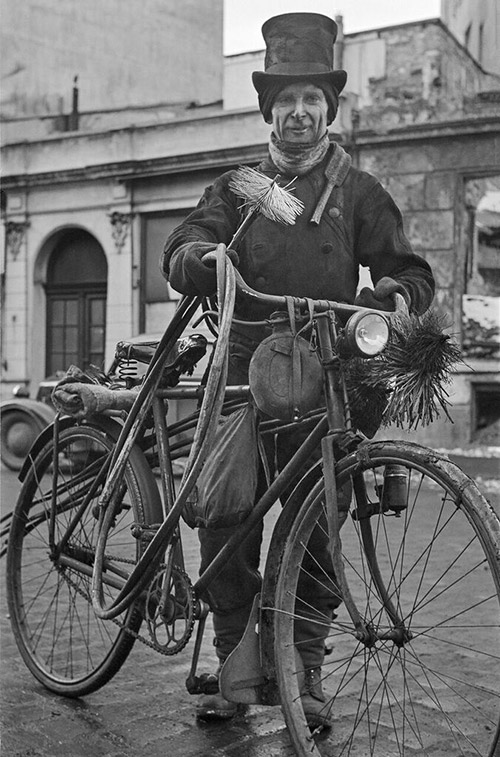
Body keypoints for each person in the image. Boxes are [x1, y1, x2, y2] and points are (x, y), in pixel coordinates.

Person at [162, 12, 435, 728]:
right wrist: (201, 259)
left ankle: (303, 670)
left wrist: (386, 300)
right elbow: (186, 241)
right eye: (286, 101)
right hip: (245, 376)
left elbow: (409, 270)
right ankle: (234, 662)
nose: (299, 113)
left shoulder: (359, 191)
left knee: (314, 531)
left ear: (329, 108)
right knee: (224, 516)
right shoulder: (241, 189)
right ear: (270, 112)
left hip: (330, 381)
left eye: (312, 99)